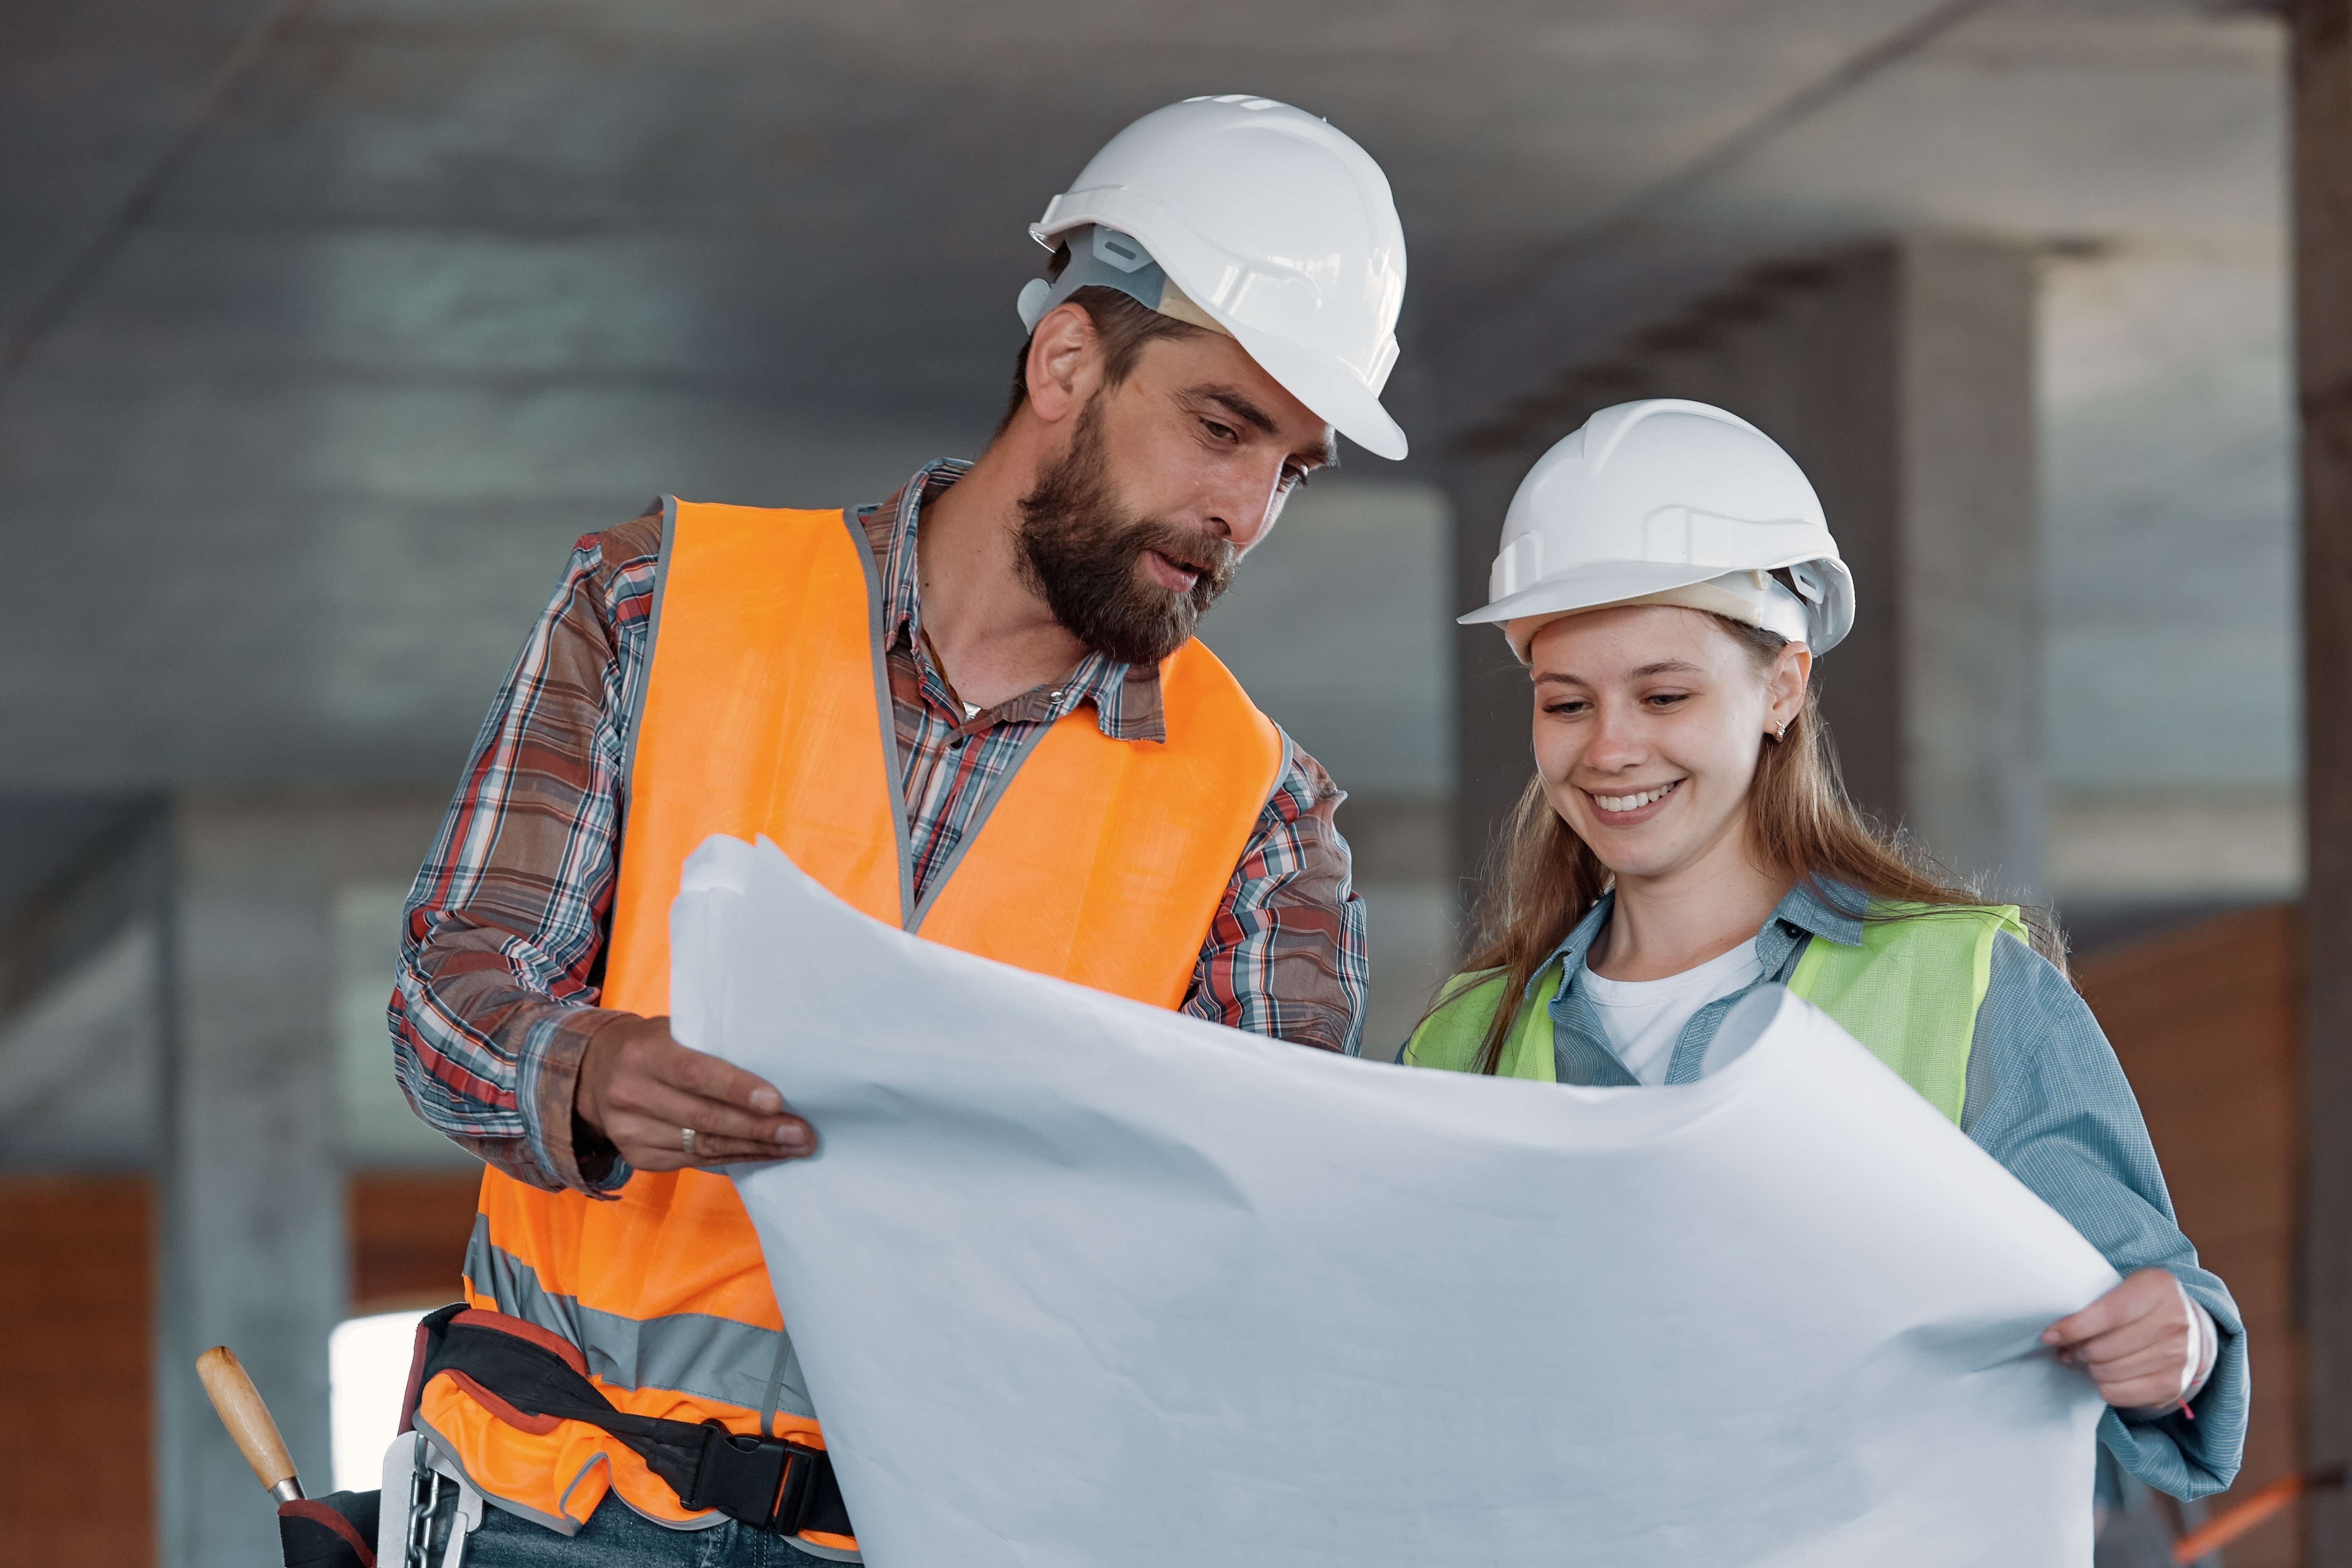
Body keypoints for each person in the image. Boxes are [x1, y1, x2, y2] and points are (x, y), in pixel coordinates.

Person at [388, 95, 1410, 1565]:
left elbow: (1263, 1232)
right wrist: (592, 1068)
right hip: (555, 1506)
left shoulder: (1267, 819)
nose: (1244, 510)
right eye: (1221, 426)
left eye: (1290, 470)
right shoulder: (654, 604)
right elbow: (446, 992)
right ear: (1068, 361)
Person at [1406, 398, 2246, 1503]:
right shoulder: (1467, 1037)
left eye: (1664, 694)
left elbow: (2144, 1311)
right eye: (1567, 703)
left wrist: (2173, 1344)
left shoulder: (1962, 990)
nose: (1609, 749)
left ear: (1782, 687)